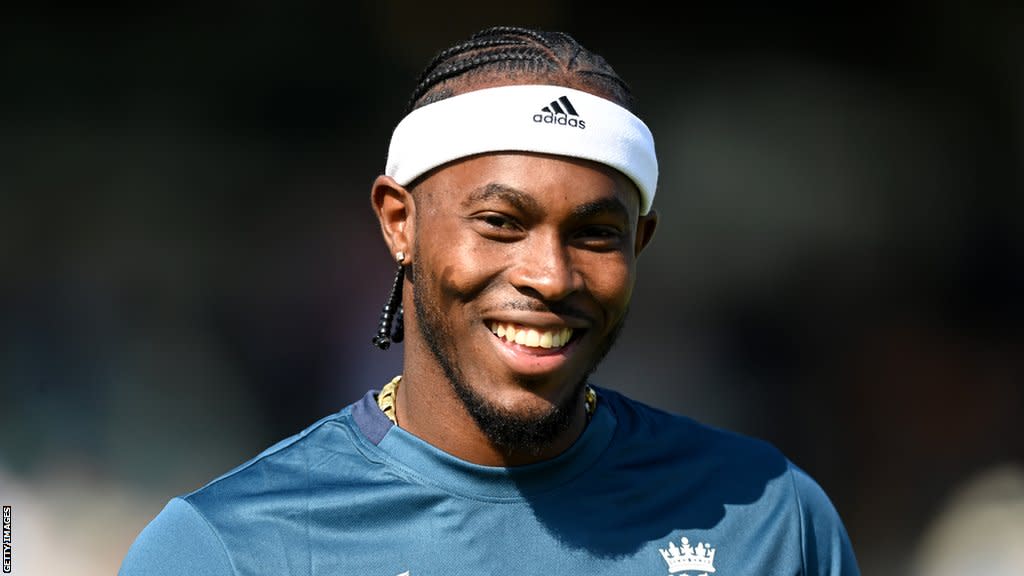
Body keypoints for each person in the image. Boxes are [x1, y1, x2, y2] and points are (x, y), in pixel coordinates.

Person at [119, 25, 860, 575]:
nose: (551, 275)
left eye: (597, 234)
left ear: (641, 245)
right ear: (398, 222)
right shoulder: (228, 548)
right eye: (501, 223)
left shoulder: (771, 517)